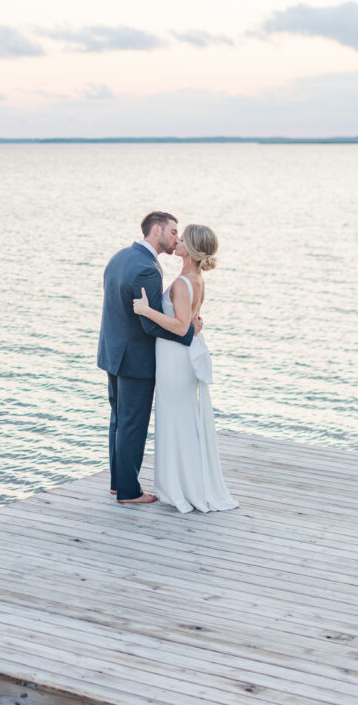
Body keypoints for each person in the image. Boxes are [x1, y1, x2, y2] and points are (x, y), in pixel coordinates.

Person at [97, 212, 201, 504]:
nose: (176, 239)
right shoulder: (148, 269)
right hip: (135, 359)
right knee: (133, 423)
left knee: (119, 419)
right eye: (172, 232)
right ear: (156, 230)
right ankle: (129, 492)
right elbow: (149, 323)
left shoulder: (120, 257)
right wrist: (188, 331)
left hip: (112, 351)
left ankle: (119, 483)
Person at [133, 223, 238, 513]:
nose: (176, 240)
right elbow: (191, 319)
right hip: (180, 357)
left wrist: (146, 310)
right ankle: (184, 483)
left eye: (181, 237)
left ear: (189, 248)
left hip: (174, 357)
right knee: (180, 420)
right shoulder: (196, 278)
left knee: (174, 419)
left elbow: (180, 327)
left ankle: (180, 488)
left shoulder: (182, 283)